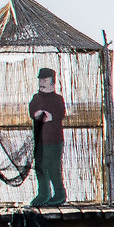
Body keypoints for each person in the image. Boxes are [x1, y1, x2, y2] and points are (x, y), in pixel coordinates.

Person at [28, 67, 67, 205]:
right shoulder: (36, 98)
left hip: (54, 141)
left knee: (54, 168)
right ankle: (43, 194)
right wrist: (37, 114)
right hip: (40, 140)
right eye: (40, 80)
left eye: (45, 80)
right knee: (40, 168)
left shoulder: (57, 99)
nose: (42, 83)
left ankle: (60, 195)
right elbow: (31, 111)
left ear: (52, 82)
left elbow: (60, 114)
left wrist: (50, 116)